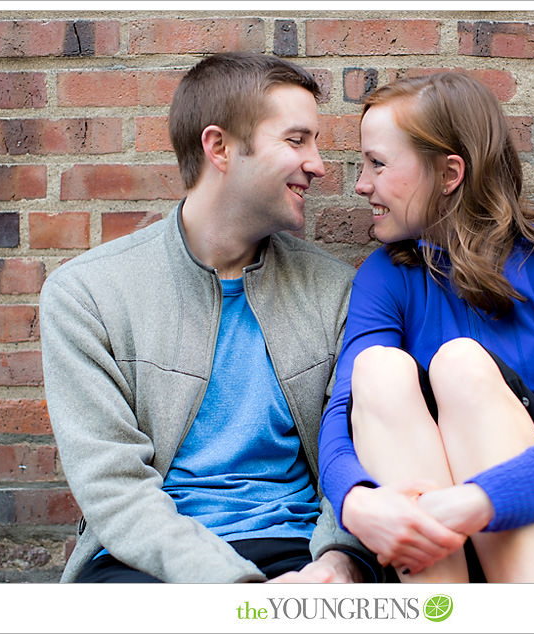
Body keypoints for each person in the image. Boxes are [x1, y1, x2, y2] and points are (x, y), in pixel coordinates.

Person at [40, 52, 380, 583]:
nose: (318, 163)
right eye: (296, 140)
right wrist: (238, 593)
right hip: (149, 561)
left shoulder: (336, 291)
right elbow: (114, 488)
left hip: (301, 551)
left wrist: (340, 560)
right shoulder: (88, 294)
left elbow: (360, 451)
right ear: (219, 147)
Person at [318, 72, 534, 583]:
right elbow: (343, 413)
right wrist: (356, 503)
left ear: (449, 173)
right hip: (437, 547)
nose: (362, 183)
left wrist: (479, 500)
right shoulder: (386, 277)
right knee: (375, 370)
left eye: (377, 164)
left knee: (461, 364)